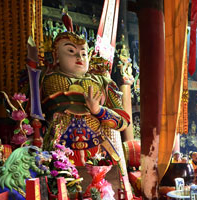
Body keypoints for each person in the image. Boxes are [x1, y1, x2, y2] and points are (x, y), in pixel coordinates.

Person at [40, 22, 130, 167]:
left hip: (98, 148)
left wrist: (98, 111)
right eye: (71, 51)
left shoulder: (103, 81)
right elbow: (32, 116)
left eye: (83, 53)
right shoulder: (43, 78)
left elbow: (123, 122)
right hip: (58, 149)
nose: (79, 57)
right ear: (56, 56)